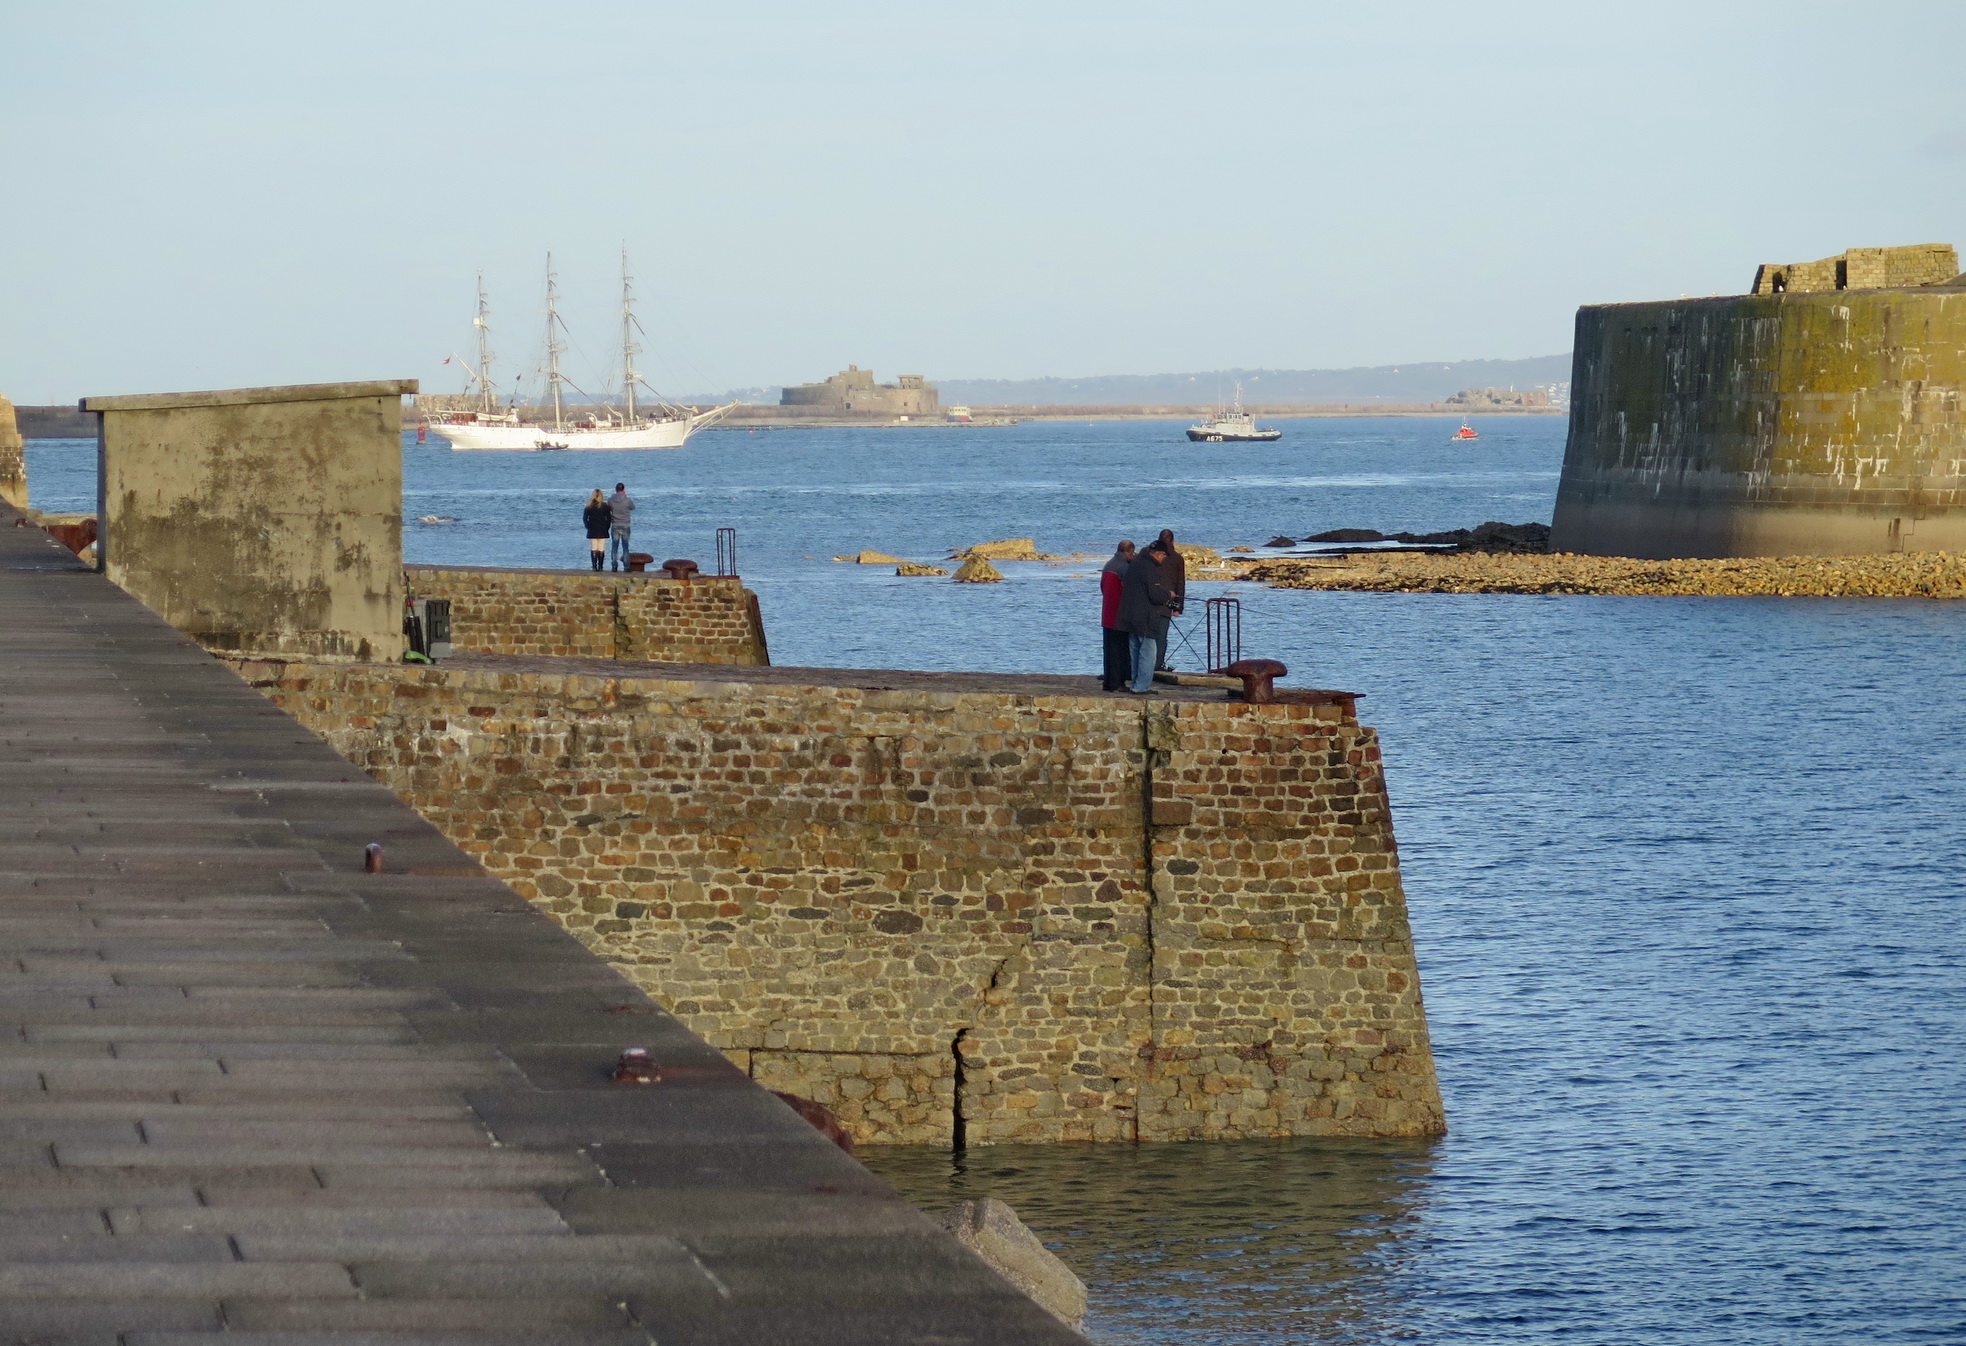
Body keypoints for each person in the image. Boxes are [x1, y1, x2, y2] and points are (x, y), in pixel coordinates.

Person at [1117, 539, 1178, 694]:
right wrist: (1168, 594)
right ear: (1158, 554)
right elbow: (1155, 595)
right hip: (1144, 618)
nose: (1164, 559)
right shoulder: (1150, 568)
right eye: (1164, 555)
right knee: (1148, 653)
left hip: (1129, 615)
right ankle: (1141, 686)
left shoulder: (1135, 564)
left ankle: (1136, 684)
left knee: (1135, 651)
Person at [1099, 540, 1136, 692]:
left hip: (1107, 613)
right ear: (1129, 552)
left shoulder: (1109, 564)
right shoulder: (1124, 567)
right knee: (1120, 650)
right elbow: (1129, 590)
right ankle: (1117, 682)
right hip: (1119, 614)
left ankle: (1109, 681)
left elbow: (1102, 587)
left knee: (1109, 650)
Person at [1154, 529, 1186, 671]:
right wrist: (1178, 607)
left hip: (1150, 599)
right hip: (1167, 601)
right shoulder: (1177, 558)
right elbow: (1180, 583)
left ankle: (1147, 665)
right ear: (1173, 541)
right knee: (1162, 636)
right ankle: (1158, 664)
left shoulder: (1149, 555)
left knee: (1148, 635)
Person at [607, 482, 635, 570]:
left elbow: (609, 508)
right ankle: (626, 566)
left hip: (615, 524)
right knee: (625, 546)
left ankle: (614, 565)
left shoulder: (610, 500)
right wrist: (625, 496)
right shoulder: (627, 500)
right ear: (623, 490)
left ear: (616, 490)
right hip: (625, 525)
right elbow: (633, 507)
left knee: (614, 546)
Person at [581, 489, 611, 570]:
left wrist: (588, 526)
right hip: (602, 529)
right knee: (601, 548)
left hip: (592, 529)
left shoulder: (589, 506)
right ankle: (600, 566)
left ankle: (594, 566)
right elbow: (609, 518)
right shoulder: (605, 506)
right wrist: (607, 527)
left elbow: (584, 518)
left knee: (594, 548)